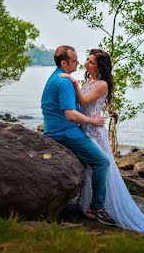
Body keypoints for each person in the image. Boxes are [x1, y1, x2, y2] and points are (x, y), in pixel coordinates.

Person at [60, 48, 144, 233]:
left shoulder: (102, 84)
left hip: (94, 130)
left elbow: (84, 102)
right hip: (84, 127)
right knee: (88, 165)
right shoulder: (89, 81)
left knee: (100, 165)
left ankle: (98, 206)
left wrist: (73, 82)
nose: (87, 63)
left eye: (91, 62)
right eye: (87, 60)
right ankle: (85, 203)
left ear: (100, 66)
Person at [40, 45, 117, 226]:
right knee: (102, 162)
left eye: (89, 61)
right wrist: (93, 121)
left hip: (63, 128)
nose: (81, 63)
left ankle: (85, 200)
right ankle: (96, 207)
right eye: (75, 60)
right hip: (65, 131)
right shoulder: (65, 81)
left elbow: (80, 103)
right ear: (64, 63)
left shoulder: (58, 77)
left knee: (96, 162)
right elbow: (71, 114)